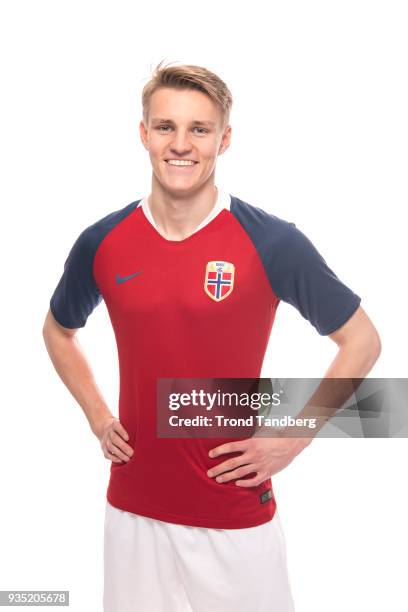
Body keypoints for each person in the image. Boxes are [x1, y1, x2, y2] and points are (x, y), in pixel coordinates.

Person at [42, 60, 381, 612]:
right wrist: (99, 417)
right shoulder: (102, 241)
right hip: (132, 513)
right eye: (165, 127)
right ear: (143, 133)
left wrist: (295, 435)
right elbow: (59, 331)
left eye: (199, 129)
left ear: (224, 139)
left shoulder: (271, 241)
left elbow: (362, 340)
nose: (181, 144)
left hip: (233, 515)